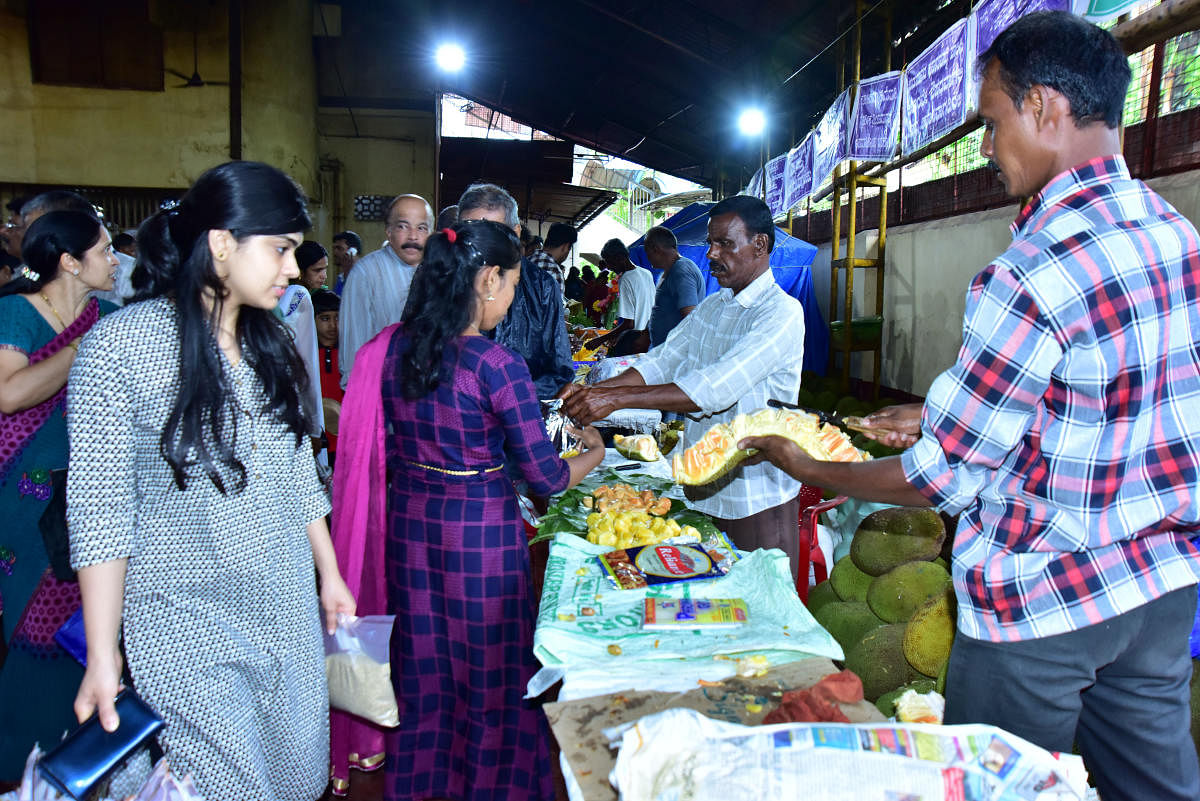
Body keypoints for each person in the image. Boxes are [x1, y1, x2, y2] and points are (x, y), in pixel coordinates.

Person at [742, 13, 1200, 801]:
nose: (986, 147)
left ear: (1047, 107)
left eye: (991, 123)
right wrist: (939, 407)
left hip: (1043, 603)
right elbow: (1117, 396)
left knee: (998, 787)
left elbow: (939, 478)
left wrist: (809, 463)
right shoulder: (1176, 236)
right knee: (1149, 786)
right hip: (1158, 589)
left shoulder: (1028, 269)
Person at [66, 161, 356, 801]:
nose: (291, 267)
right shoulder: (120, 349)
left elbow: (298, 473)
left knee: (296, 779)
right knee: (224, 786)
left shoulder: (269, 342)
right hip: (183, 622)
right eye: (279, 248)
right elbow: (98, 515)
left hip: (284, 609)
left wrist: (329, 572)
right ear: (222, 242)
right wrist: (102, 651)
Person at [332, 219, 603, 801]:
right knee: (491, 676)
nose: (510, 299)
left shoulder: (393, 349)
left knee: (424, 670)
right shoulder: (494, 366)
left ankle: (425, 786)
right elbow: (547, 478)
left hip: (409, 528)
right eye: (511, 285)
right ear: (487, 279)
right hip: (479, 534)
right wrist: (595, 453)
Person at [562, 195, 806, 578]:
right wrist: (599, 390)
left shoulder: (782, 313)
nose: (711, 253)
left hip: (753, 496)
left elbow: (713, 389)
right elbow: (660, 361)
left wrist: (612, 398)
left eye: (725, 243)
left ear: (760, 245)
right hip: (701, 486)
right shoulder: (714, 306)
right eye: (711, 242)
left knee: (754, 614)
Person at [0, 210, 118, 778]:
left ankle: (79, 758)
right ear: (71, 262)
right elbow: (11, 395)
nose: (116, 260)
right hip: (22, 502)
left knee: (88, 626)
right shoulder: (15, 315)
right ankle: (19, 760)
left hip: (92, 497)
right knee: (26, 627)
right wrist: (81, 350)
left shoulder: (112, 316)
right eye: (105, 250)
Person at [458, 183, 575, 399]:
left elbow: (560, 372)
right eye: (472, 233)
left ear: (516, 233)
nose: (484, 245)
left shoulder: (542, 286)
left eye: (495, 233)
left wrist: (510, 396)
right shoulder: (444, 280)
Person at [339, 194, 432, 387]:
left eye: (421, 228)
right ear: (388, 231)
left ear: (431, 232)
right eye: (402, 226)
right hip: (382, 394)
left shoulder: (440, 272)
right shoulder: (365, 274)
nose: (413, 236)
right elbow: (354, 353)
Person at [585, 238, 654, 356]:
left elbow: (629, 323)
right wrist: (617, 334)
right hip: (650, 337)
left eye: (610, 263)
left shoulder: (626, 279)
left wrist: (599, 340)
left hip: (635, 343)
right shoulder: (646, 273)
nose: (610, 267)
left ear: (620, 258)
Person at [643, 224, 705, 347]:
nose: (647, 257)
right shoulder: (668, 271)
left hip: (673, 355)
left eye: (647, 252)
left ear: (655, 249)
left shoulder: (681, 270)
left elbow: (690, 319)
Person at [313, 289, 342, 467]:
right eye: (325, 319)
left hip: (344, 444)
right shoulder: (304, 356)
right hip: (317, 443)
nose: (333, 326)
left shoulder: (348, 354)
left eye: (337, 318)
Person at [528, 221, 576, 299]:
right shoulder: (554, 272)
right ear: (565, 247)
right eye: (569, 249)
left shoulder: (528, 259)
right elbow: (554, 310)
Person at [330, 230, 361, 296]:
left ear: (353, 251)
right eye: (334, 248)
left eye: (339, 248)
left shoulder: (363, 276)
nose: (334, 252)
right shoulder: (341, 278)